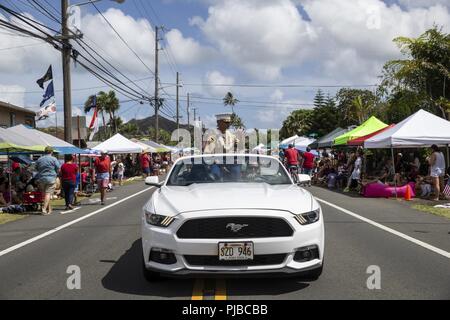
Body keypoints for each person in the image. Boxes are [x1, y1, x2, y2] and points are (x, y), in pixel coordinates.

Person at [35, 147, 61, 215]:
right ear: (51, 152)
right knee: (48, 194)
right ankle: (44, 209)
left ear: (45, 152)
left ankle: (49, 209)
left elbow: (36, 168)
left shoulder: (39, 159)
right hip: (51, 178)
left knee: (45, 194)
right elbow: (58, 168)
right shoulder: (53, 159)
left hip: (41, 178)